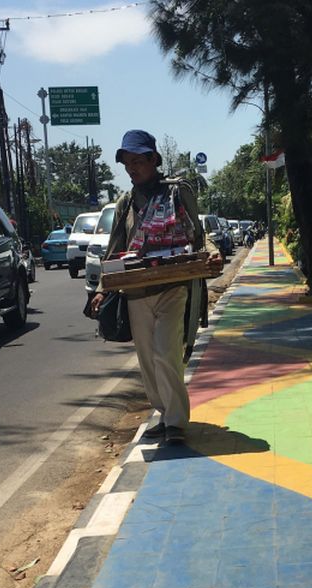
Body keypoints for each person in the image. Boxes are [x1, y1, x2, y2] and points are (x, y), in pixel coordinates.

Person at [88, 129, 223, 445]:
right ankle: (164, 415)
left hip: (172, 287)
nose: (132, 168)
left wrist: (213, 252)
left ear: (153, 159)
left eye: (137, 161)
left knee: (166, 352)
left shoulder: (177, 193)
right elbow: (114, 247)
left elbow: (198, 234)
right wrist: (101, 288)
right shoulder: (127, 202)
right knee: (147, 361)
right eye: (127, 163)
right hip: (136, 292)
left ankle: (176, 421)